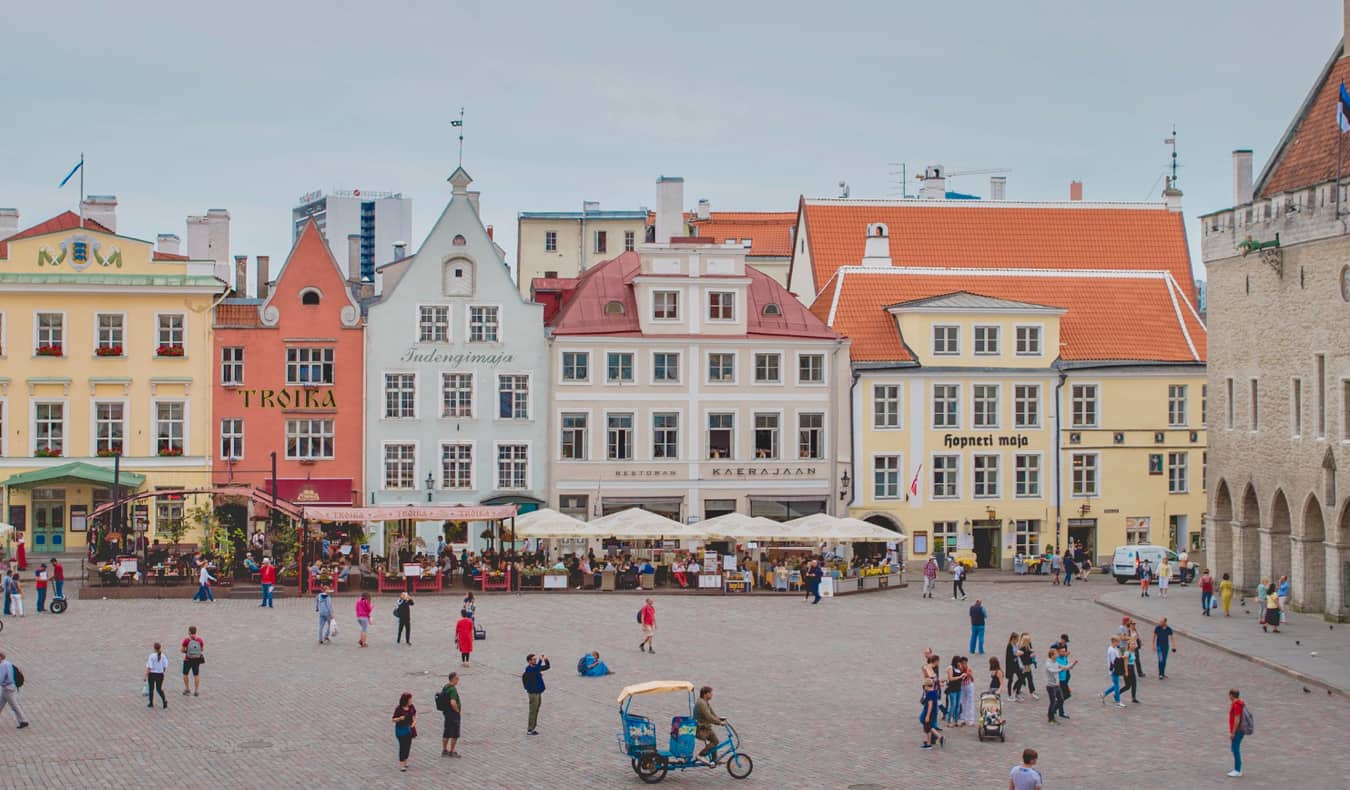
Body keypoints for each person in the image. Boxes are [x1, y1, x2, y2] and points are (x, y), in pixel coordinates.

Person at [694, 686, 727, 765]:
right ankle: (701, 755)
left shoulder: (705, 702)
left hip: (706, 728)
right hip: (701, 729)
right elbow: (708, 716)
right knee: (715, 741)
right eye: (710, 693)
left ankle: (714, 760)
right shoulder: (701, 703)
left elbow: (712, 714)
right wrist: (719, 723)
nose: (712, 695)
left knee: (715, 741)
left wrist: (720, 719)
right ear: (705, 694)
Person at [0, 650, 29, 728]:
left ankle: (23, 721)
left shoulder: (2, 665)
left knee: (14, 705)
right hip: (10, 687)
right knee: (1, 703)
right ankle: (23, 720)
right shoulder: (8, 663)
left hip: (8, 688)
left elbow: (1, 678)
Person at [522, 654, 550, 735]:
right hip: (533, 693)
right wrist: (540, 660)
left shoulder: (535, 668)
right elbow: (536, 669)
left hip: (538, 692)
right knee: (532, 711)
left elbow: (547, 667)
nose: (535, 661)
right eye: (534, 659)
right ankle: (530, 729)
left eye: (536, 659)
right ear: (529, 661)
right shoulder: (529, 669)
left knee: (536, 710)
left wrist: (546, 660)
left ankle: (533, 728)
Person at [392, 691, 417, 772]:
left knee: (408, 746)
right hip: (401, 729)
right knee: (403, 746)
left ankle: (405, 760)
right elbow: (393, 719)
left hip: (409, 729)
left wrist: (414, 723)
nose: (411, 701)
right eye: (410, 699)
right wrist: (399, 718)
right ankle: (402, 764)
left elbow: (414, 716)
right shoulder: (399, 709)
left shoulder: (411, 707)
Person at [439, 673, 462, 758]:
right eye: (457, 678)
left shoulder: (446, 687)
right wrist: (457, 711)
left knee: (446, 731)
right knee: (455, 733)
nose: (458, 680)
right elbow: (453, 702)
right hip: (453, 714)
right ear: (453, 679)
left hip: (446, 713)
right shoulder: (452, 690)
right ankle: (452, 751)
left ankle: (444, 750)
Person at [919, 677, 943, 749]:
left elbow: (930, 705)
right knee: (928, 727)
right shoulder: (934, 691)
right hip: (933, 712)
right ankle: (930, 740)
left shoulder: (929, 694)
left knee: (928, 728)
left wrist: (927, 716)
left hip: (929, 712)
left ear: (926, 686)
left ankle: (929, 743)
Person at [1101, 636, 1125, 707]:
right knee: (1117, 685)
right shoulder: (1111, 650)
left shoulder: (1114, 649)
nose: (1119, 643)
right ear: (1114, 642)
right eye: (1118, 642)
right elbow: (1113, 661)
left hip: (1115, 669)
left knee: (1115, 684)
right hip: (1114, 670)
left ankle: (1104, 694)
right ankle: (1118, 701)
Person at [181, 625, 204, 696]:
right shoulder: (200, 640)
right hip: (196, 659)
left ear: (189, 632)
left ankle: (187, 689)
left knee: (185, 674)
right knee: (196, 675)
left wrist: (187, 651)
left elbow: (182, 650)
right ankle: (196, 690)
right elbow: (202, 649)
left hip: (188, 659)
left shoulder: (186, 640)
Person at [1227, 688, 1246, 777]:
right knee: (1235, 748)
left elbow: (1237, 719)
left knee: (1235, 749)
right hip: (1239, 730)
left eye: (1229, 695)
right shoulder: (1239, 703)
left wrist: (1233, 732)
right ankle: (1238, 768)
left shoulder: (1236, 705)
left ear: (1231, 695)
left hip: (1237, 731)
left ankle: (1237, 770)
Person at [144, 642, 169, 709]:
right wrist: (162, 671)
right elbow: (165, 666)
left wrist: (145, 675)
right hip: (160, 674)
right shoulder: (163, 656)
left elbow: (149, 667)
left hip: (152, 674)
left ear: (154, 648)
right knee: (159, 689)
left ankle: (151, 703)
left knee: (151, 689)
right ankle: (164, 701)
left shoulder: (151, 656)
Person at [1044, 647, 1065, 723]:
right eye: (1056, 654)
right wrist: (1061, 669)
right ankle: (1050, 718)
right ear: (1052, 655)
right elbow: (1052, 671)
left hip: (1056, 685)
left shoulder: (1055, 662)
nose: (1057, 655)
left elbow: (1063, 667)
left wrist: (1072, 664)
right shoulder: (1048, 663)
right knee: (1052, 701)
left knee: (1061, 699)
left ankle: (1052, 711)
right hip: (1051, 686)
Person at [943, 657, 963, 725]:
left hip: (958, 688)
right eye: (959, 662)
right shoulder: (950, 668)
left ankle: (956, 720)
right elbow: (950, 678)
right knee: (953, 705)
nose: (960, 663)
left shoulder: (959, 668)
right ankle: (949, 720)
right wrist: (960, 677)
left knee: (958, 705)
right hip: (952, 689)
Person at [1121, 638, 1140, 703]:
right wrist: (1126, 672)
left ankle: (1133, 697)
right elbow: (1125, 663)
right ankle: (1117, 694)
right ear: (1129, 645)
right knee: (1128, 685)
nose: (1134, 645)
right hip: (1128, 669)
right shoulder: (1127, 653)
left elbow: (1138, 646)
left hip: (1132, 668)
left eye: (1134, 644)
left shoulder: (1133, 652)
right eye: (1132, 644)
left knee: (1131, 685)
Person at [958, 657, 976, 727]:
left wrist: (969, 674)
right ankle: (963, 719)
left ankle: (971, 720)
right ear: (961, 663)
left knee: (970, 702)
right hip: (962, 687)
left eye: (965, 663)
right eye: (963, 663)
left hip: (969, 686)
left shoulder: (968, 669)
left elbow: (972, 679)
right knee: (962, 702)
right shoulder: (959, 669)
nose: (965, 665)